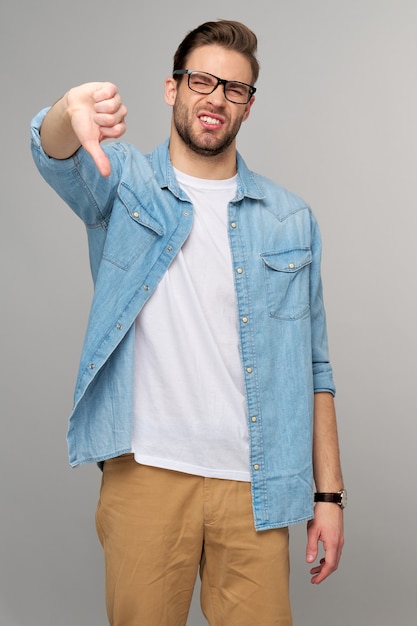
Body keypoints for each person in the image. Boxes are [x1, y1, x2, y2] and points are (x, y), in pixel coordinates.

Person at [30, 19, 345, 626]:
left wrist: (327, 496)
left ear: (248, 107)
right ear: (172, 89)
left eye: (234, 89)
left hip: (254, 485)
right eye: (201, 80)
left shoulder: (289, 219)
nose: (216, 98)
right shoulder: (122, 185)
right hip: (146, 473)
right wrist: (69, 111)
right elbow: (51, 152)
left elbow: (315, 367)